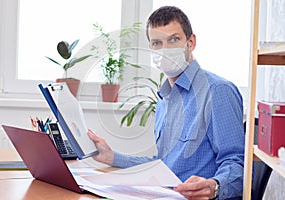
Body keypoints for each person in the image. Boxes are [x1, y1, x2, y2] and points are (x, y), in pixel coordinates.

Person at [88, 6, 244, 200]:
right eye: (157, 43)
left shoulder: (217, 91)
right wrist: (112, 157)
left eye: (174, 40)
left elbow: (238, 164)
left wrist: (215, 186)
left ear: (191, 42)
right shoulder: (165, 97)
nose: (166, 49)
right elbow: (163, 165)